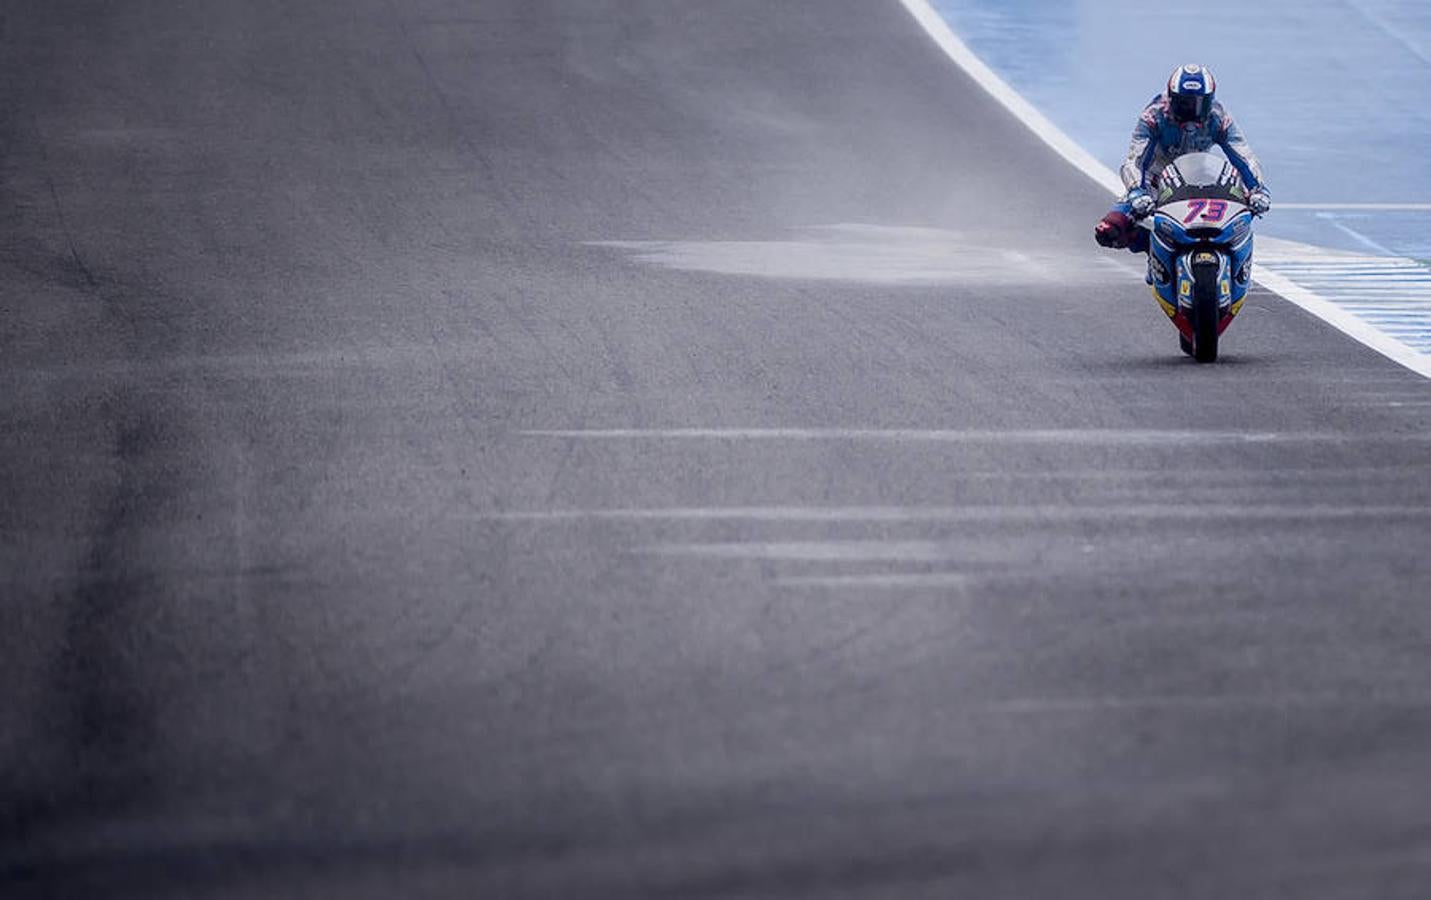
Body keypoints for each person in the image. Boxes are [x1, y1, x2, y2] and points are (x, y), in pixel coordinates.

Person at [1095, 63, 1271, 254]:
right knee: (1109, 229)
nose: (1191, 112)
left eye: (1199, 104)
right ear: (1171, 99)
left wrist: (1258, 188)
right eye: (1184, 104)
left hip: (1200, 177)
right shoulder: (1153, 117)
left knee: (1246, 205)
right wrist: (1137, 191)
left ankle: (1233, 260)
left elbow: (1243, 155)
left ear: (1210, 101)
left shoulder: (1219, 118)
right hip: (1157, 181)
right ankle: (1151, 247)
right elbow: (1135, 160)